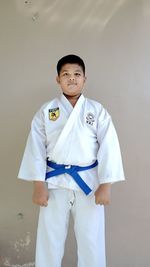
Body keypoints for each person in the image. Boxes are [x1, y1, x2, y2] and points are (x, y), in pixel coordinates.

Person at [18, 54, 125, 267]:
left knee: (91, 240)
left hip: (89, 183)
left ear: (85, 79)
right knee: (49, 239)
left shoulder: (96, 111)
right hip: (54, 182)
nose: (72, 78)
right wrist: (38, 185)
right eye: (65, 74)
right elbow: (36, 148)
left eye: (77, 74)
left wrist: (106, 185)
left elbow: (109, 147)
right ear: (58, 79)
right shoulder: (47, 111)